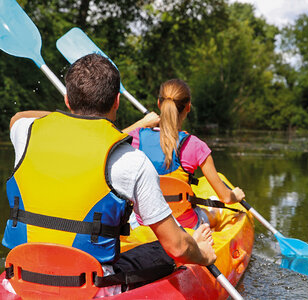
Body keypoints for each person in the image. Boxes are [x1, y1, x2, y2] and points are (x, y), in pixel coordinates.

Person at [2, 54, 216, 297]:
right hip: (89, 287)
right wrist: (201, 253)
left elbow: (18, 118)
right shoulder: (131, 160)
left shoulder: (24, 133)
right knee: (169, 248)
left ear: (67, 100)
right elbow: (176, 247)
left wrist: (65, 116)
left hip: (19, 276)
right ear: (117, 101)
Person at [126, 78, 245, 229]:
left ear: (158, 104)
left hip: (144, 223)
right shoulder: (196, 146)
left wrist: (141, 123)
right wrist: (236, 195)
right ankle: (213, 215)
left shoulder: (137, 137)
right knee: (213, 212)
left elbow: (110, 141)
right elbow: (226, 197)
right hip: (184, 226)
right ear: (188, 107)